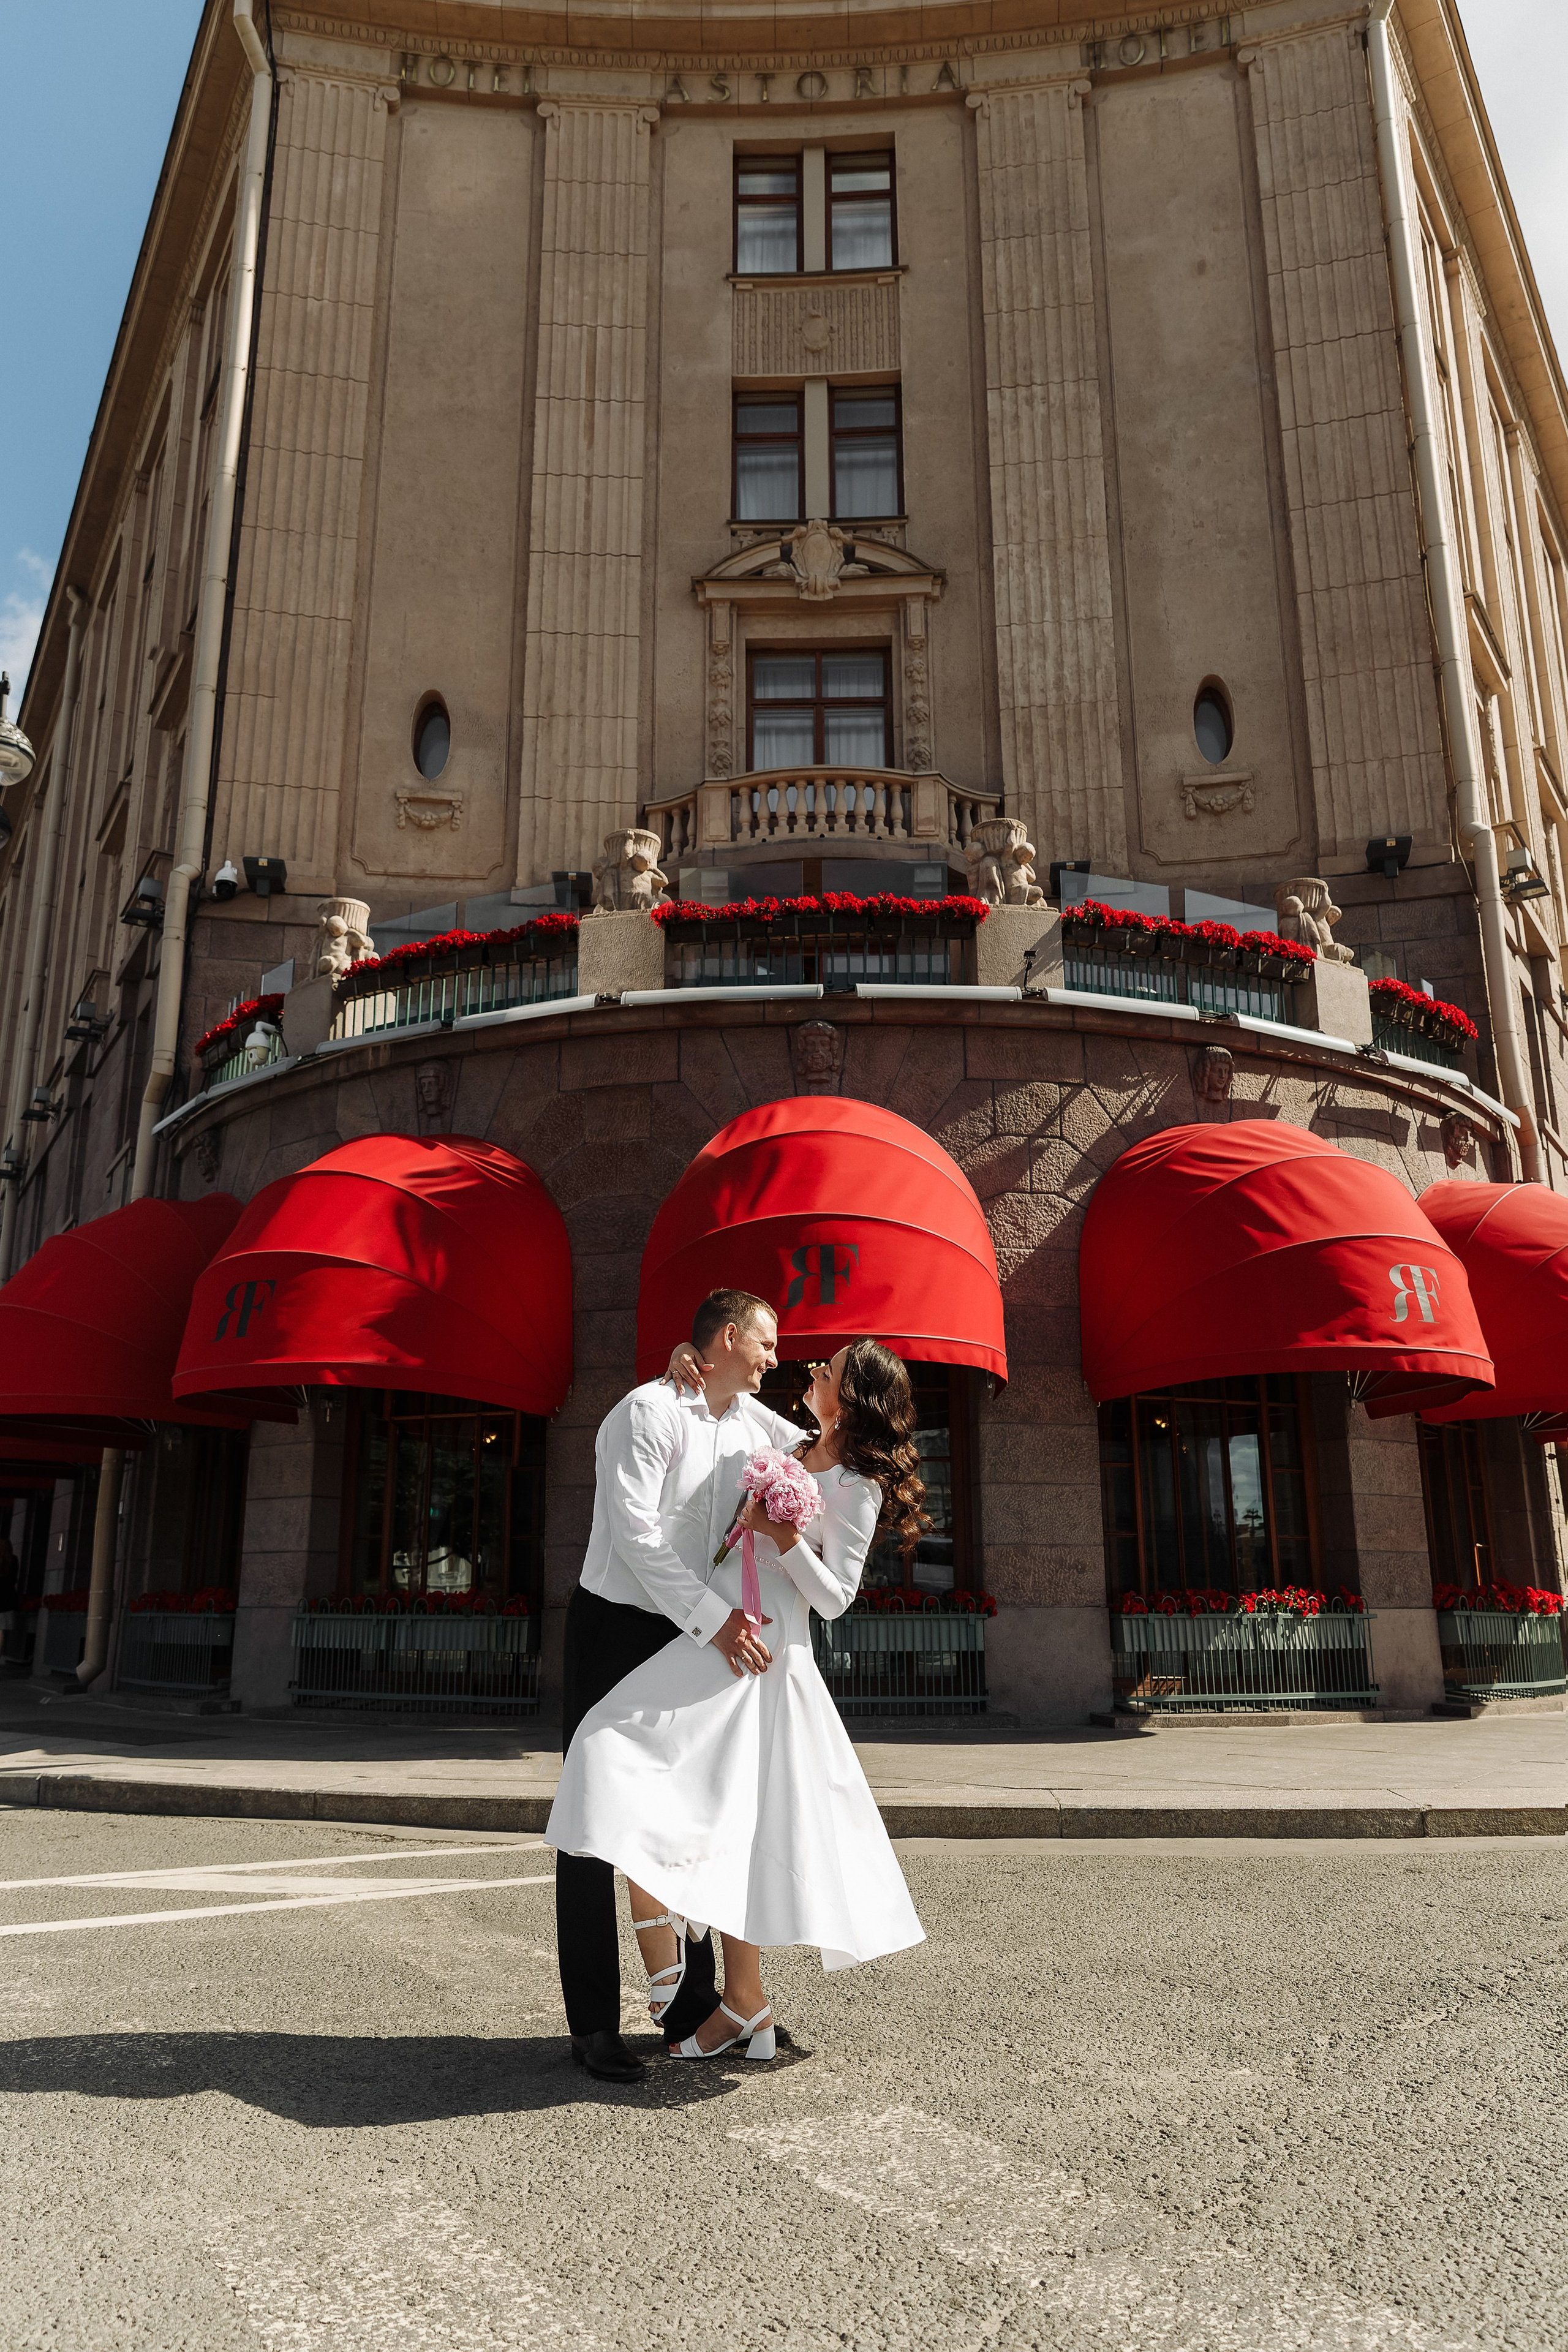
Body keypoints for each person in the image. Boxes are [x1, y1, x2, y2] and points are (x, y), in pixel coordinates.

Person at [547, 1335, 929, 2067]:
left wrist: (783, 1536)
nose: (808, 1369)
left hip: (761, 1656)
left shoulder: (858, 1484)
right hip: (711, 1640)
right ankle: (698, 1974)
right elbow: (723, 1399)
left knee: (734, 1820)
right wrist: (682, 1361)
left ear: (850, 1397)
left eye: (827, 1370)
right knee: (612, 1756)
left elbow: (836, 1599)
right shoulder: (787, 1439)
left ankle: (732, 1996)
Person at [554, 1287, 815, 2084]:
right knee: (590, 1825)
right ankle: (593, 2025)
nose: (776, 1358)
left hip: (690, 1630)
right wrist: (716, 1621)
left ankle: (695, 2008)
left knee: (693, 1812)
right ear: (729, 1337)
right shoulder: (646, 1412)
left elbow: (815, 1443)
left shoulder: (753, 1424)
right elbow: (636, 1537)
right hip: (615, 1627)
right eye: (767, 1343)